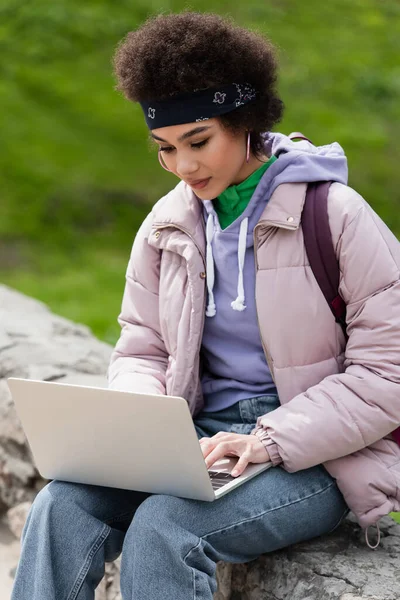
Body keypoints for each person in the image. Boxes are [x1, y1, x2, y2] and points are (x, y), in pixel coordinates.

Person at [11, 10, 400, 600]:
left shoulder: (336, 214)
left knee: (166, 528)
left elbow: (387, 372)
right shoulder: (168, 224)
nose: (183, 167)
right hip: (198, 442)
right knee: (61, 505)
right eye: (164, 148)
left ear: (243, 120)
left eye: (198, 142)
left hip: (314, 455)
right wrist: (144, 425)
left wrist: (266, 439)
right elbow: (142, 345)